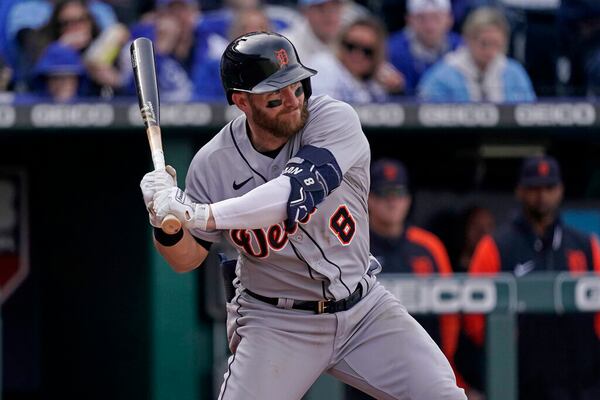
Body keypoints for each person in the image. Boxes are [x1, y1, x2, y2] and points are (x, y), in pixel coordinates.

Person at [140, 31, 466, 400]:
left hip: (364, 310)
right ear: (242, 102)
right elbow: (186, 259)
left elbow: (289, 194)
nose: (294, 101)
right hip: (276, 324)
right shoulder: (213, 163)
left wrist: (198, 213)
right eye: (276, 95)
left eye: (298, 86)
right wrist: (164, 221)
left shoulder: (333, 119)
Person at [460, 155, 600, 400]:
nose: (542, 195)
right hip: (519, 380)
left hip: (580, 381)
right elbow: (474, 318)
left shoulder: (585, 244)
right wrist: (502, 345)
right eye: (534, 188)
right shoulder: (496, 245)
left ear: (561, 190)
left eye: (549, 187)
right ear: (520, 191)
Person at [345, 158, 463, 400]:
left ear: (408, 199)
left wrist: (444, 359)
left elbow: (450, 314)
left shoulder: (428, 246)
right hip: (362, 371)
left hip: (420, 366)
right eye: (383, 194)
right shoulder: (351, 244)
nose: (392, 202)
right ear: (368, 199)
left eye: (398, 193)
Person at [417, 6, 535, 102]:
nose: (490, 51)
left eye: (496, 44)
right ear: (467, 40)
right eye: (484, 43)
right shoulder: (441, 77)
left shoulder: (515, 74)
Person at [310, 17, 404, 103]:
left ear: (377, 55)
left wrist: (395, 91)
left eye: (367, 51)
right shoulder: (325, 65)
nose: (357, 55)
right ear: (341, 44)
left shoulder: (375, 82)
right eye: (351, 46)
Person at [387, 0, 463, 96]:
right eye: (421, 18)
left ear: (449, 19)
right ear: (409, 20)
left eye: (436, 18)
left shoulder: (461, 48)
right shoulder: (391, 51)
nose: (429, 26)